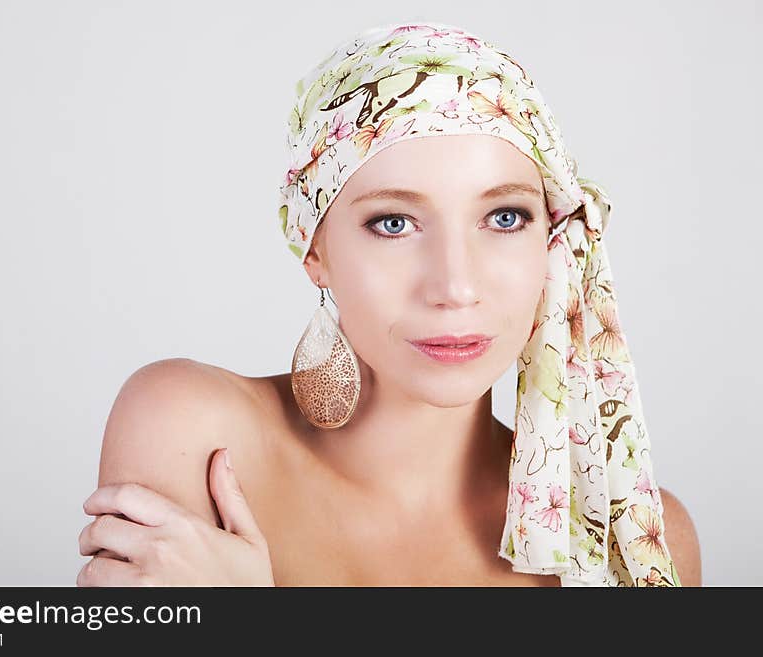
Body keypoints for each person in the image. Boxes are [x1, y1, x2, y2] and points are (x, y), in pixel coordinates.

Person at [77, 21, 702, 587]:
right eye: (394, 224)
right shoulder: (193, 431)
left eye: (504, 217)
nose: (455, 287)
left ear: (551, 240)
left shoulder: (630, 538)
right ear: (314, 248)